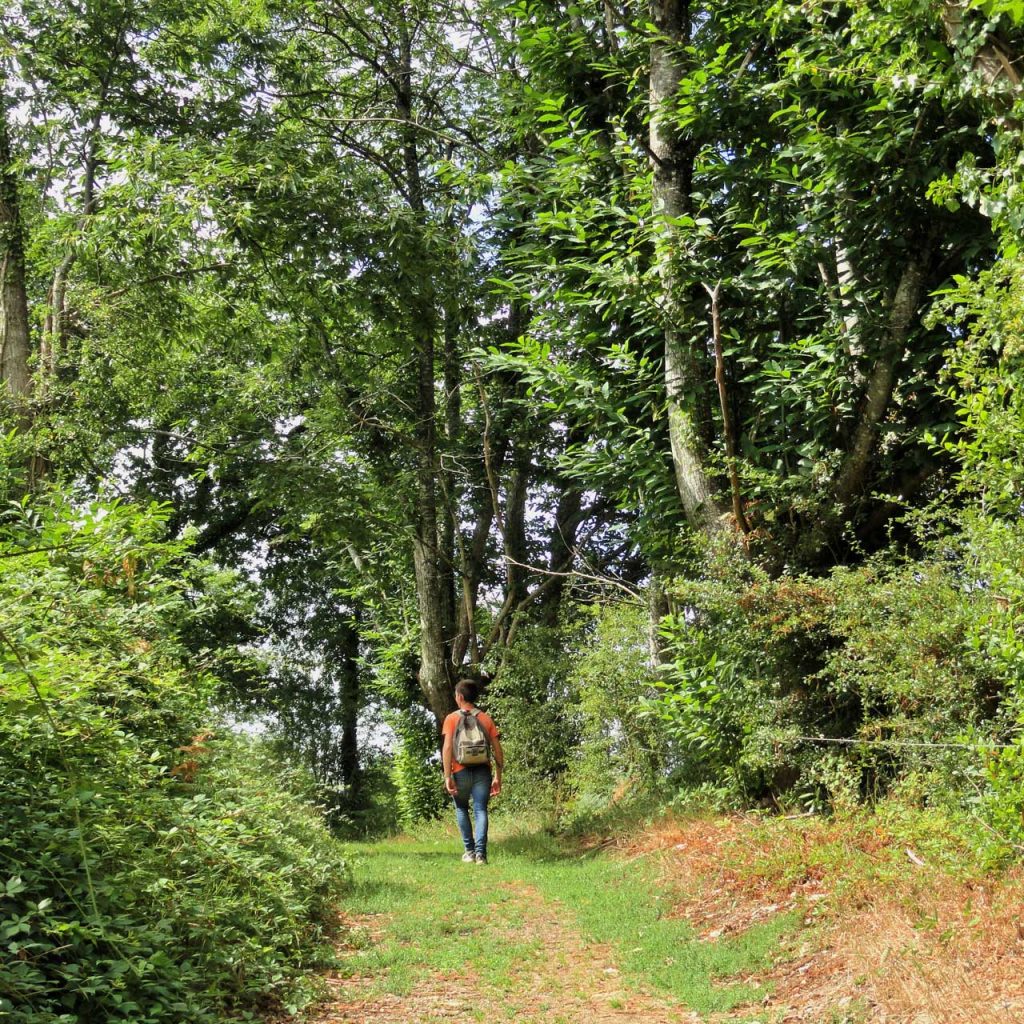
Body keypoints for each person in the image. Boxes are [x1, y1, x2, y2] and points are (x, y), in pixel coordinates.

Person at [441, 679, 503, 864]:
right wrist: (498, 776)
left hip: (459, 770)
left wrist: (447, 775)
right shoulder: (485, 718)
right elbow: (498, 749)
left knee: (461, 808)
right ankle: (481, 854)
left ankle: (469, 851)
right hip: (482, 771)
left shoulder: (451, 719)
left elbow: (446, 749)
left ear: (459, 697)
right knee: (480, 810)